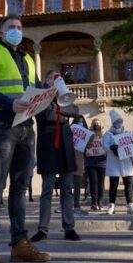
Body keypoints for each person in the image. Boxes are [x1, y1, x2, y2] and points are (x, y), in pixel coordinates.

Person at [0, 14, 50, 263]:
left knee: (20, 186)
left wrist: (48, 91)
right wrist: (9, 103)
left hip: (26, 127)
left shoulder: (28, 58)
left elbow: (35, 89)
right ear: (1, 31)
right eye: (11, 27)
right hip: (0, 125)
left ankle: (20, 244)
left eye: (19, 27)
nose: (16, 30)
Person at [30, 70, 82, 242]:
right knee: (47, 190)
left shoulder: (64, 94)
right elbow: (47, 116)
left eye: (59, 78)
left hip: (65, 146)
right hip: (48, 146)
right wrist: (61, 110)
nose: (57, 81)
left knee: (67, 189)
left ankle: (69, 227)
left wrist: (58, 108)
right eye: (55, 78)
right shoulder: (40, 96)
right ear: (47, 80)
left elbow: (76, 110)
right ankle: (42, 229)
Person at [103, 110, 133, 216]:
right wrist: (111, 147)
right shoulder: (108, 134)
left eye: (120, 121)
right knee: (113, 184)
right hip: (114, 162)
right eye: (117, 121)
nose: (119, 123)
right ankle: (111, 205)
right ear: (113, 122)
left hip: (126, 162)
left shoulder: (127, 133)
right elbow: (104, 145)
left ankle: (130, 205)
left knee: (128, 183)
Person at [85, 118, 107, 211]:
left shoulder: (104, 135)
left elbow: (107, 147)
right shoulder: (88, 135)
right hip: (91, 162)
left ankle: (100, 202)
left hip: (101, 162)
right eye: (95, 123)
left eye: (98, 123)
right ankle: (94, 203)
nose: (96, 125)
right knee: (93, 182)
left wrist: (105, 153)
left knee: (101, 183)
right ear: (92, 125)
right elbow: (85, 146)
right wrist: (86, 152)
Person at [72, 115, 89, 215]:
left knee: (77, 185)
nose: (80, 123)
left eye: (82, 121)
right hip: (69, 161)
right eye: (78, 121)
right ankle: (65, 205)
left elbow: (89, 148)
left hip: (79, 161)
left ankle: (76, 205)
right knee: (68, 185)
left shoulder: (86, 135)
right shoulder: (69, 132)